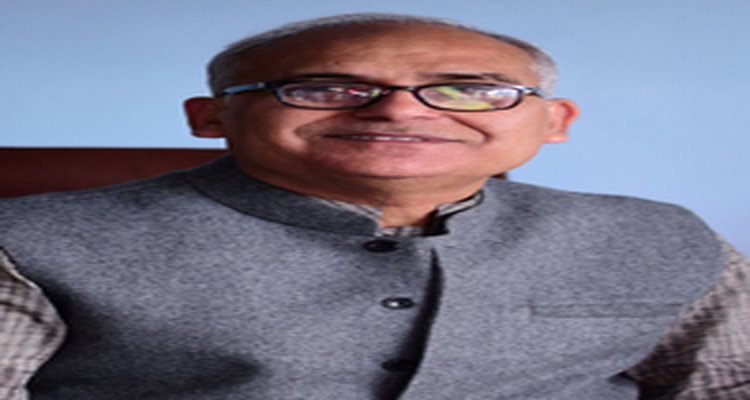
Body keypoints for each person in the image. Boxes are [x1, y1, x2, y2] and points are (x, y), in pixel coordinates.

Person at [0, 12, 748, 400]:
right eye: (327, 87)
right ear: (210, 117)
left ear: (554, 122)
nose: (399, 111)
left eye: (470, 90)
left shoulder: (657, 234)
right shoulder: (29, 240)